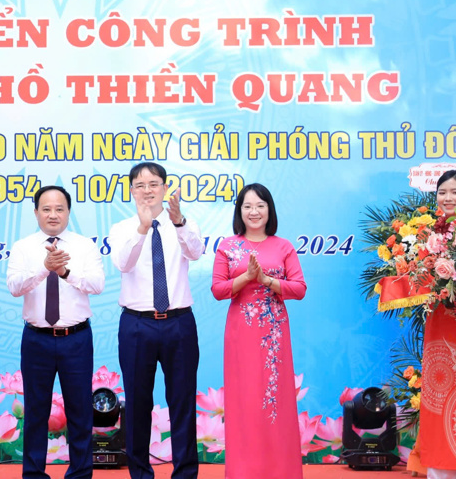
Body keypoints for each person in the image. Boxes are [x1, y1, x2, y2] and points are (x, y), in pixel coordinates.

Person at [108, 162, 203, 479]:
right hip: (137, 325)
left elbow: (197, 251)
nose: (147, 190)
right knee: (137, 403)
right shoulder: (122, 228)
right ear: (131, 190)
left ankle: (185, 473)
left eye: (153, 184)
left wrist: (179, 222)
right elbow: (123, 263)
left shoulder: (182, 223)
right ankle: (140, 473)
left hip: (179, 323)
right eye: (140, 185)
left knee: (183, 401)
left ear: (165, 187)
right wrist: (142, 228)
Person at [6, 185, 104, 479]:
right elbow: (14, 287)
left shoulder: (85, 246)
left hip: (76, 338)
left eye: (59, 209)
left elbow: (97, 285)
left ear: (68, 212)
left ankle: (80, 473)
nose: (53, 214)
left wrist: (65, 273)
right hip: (37, 339)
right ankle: (34, 474)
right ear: (35, 212)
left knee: (79, 410)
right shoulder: (24, 247)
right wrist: (44, 268)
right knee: (36, 411)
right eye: (46, 209)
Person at [210, 183, 307, 478]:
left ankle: (280, 471)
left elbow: (300, 289)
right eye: (248, 206)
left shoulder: (283, 246)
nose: (254, 212)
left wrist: (266, 280)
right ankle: (244, 471)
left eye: (260, 205)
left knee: (275, 401)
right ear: (240, 211)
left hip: (274, 334)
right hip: (241, 333)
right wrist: (247, 278)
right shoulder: (227, 246)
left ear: (269, 210)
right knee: (244, 403)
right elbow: (217, 289)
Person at [413, 169, 456, 479]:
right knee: (439, 393)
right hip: (439, 324)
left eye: (455, 192)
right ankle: (439, 469)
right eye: (442, 192)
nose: (448, 198)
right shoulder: (428, 233)